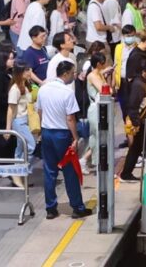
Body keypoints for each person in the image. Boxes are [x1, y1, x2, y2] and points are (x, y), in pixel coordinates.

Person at [36, 60, 91, 220]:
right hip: (62, 134)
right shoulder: (67, 92)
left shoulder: (43, 89)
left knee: (49, 171)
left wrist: (42, 130)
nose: (74, 75)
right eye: (73, 72)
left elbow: (40, 111)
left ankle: (51, 208)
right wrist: (75, 138)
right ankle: (77, 207)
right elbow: (70, 118)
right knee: (70, 171)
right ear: (66, 73)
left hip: (47, 132)